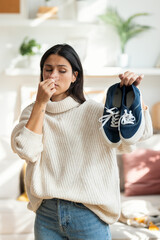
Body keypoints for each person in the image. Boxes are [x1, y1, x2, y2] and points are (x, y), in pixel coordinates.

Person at [11, 43, 153, 240]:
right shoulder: (32, 111)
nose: (53, 76)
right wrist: (40, 102)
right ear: (42, 73)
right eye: (48, 69)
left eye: (62, 70)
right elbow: (26, 150)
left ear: (74, 76)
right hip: (47, 214)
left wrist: (136, 97)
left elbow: (131, 141)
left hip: (89, 215)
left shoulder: (95, 112)